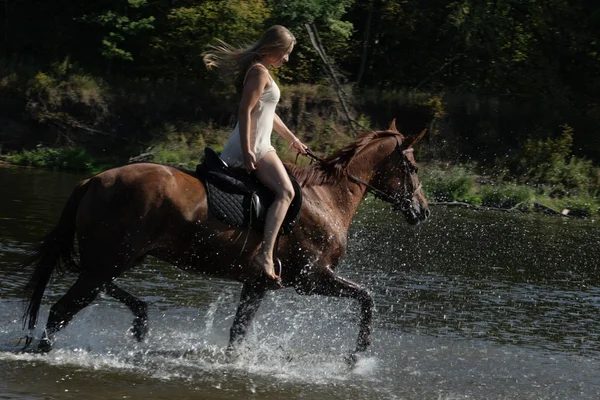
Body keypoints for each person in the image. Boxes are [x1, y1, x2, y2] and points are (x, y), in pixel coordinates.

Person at [203, 25, 308, 283]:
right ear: (273, 48)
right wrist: (249, 150)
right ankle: (266, 254)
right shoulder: (259, 72)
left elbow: (269, 113)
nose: (286, 59)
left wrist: (292, 139)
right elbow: (244, 111)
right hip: (255, 145)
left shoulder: (264, 72)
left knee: (285, 191)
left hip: (260, 143)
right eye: (285, 53)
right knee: (286, 192)